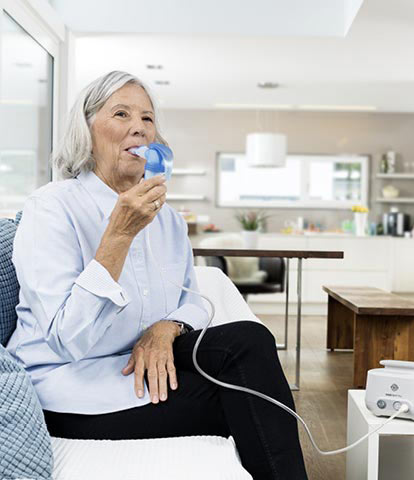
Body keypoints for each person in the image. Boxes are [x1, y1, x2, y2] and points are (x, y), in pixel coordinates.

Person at [6, 71, 308, 479]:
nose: (139, 127)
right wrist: (119, 235)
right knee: (245, 402)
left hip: (135, 360)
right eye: (121, 113)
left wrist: (167, 327)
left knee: (248, 340)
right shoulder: (52, 208)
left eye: (147, 118)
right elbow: (67, 339)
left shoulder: (166, 219)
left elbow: (194, 299)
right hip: (69, 385)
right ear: (87, 129)